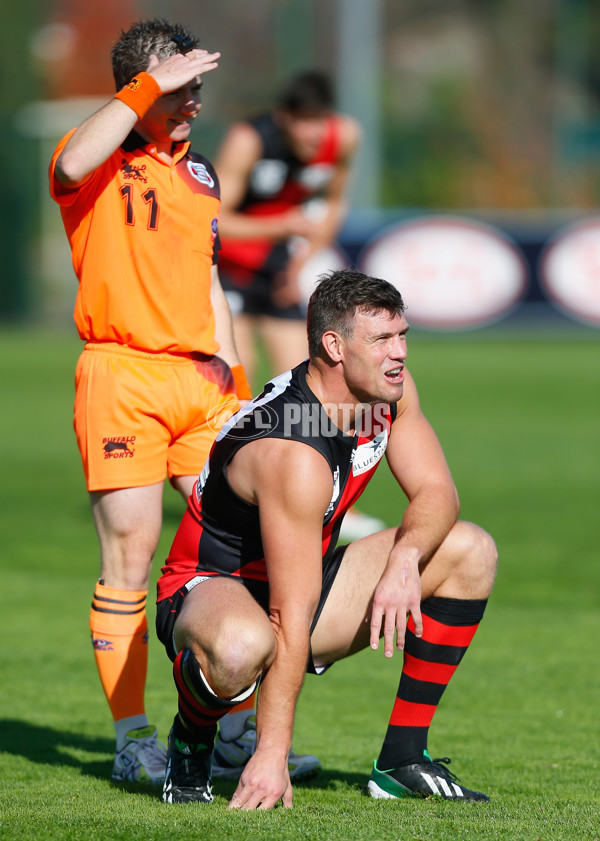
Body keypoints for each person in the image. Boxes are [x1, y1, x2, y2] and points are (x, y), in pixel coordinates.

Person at [155, 268, 498, 808]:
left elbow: (437, 491)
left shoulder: (388, 393)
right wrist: (272, 753)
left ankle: (401, 760)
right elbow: (291, 611)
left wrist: (406, 557)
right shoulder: (294, 450)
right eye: (382, 339)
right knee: (244, 646)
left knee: (469, 550)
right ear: (334, 346)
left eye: (402, 335)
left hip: (303, 580)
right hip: (211, 587)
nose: (400, 353)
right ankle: (193, 741)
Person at [48, 17, 255, 785]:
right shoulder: (98, 161)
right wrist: (147, 88)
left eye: (197, 88)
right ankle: (134, 736)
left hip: (200, 382)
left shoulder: (201, 176)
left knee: (238, 551)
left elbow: (209, 283)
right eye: (181, 88)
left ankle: (234, 728)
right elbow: (73, 156)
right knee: (129, 556)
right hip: (121, 374)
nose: (194, 102)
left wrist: (233, 380)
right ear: (143, 86)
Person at [215, 69, 384, 542]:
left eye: (320, 121)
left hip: (276, 272)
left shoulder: (344, 136)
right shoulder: (250, 139)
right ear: (284, 118)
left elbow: (332, 204)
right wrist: (285, 224)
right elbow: (215, 221)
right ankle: (237, 497)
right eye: (304, 122)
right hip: (224, 271)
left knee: (320, 389)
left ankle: (332, 502)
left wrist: (301, 263)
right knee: (240, 385)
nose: (315, 133)